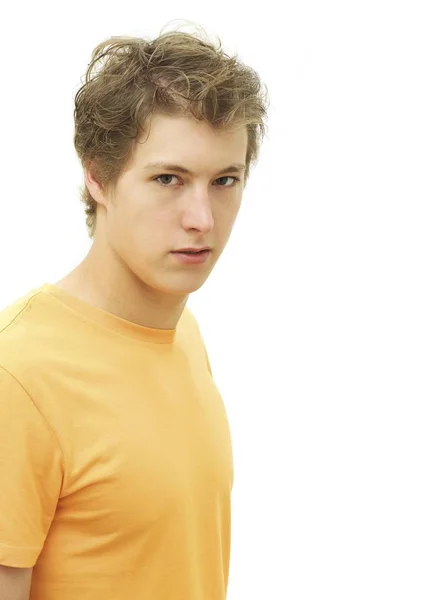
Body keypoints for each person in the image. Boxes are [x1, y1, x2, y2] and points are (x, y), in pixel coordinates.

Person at [0, 23, 269, 600]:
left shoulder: (185, 336)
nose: (203, 217)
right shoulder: (18, 376)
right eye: (168, 179)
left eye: (225, 180)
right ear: (97, 175)